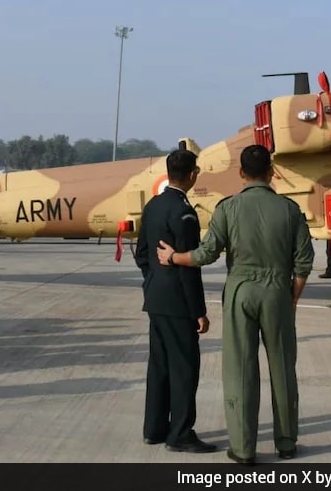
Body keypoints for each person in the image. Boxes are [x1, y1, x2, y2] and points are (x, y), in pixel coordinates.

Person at [158, 144, 315, 464]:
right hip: (277, 294)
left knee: (240, 371)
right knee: (283, 369)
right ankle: (286, 443)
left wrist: (174, 257)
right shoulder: (289, 210)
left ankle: (243, 449)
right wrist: (291, 299)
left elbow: (206, 254)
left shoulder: (227, 208)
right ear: (272, 172)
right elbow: (303, 263)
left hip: (241, 293)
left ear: (241, 173)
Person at [134, 149, 216, 453]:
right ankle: (180, 433)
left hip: (156, 298)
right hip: (178, 303)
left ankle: (154, 429)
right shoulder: (184, 212)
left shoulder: (153, 206)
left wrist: (153, 281)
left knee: (159, 366)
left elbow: (142, 254)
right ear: (193, 174)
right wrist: (198, 311)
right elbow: (188, 265)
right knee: (184, 368)